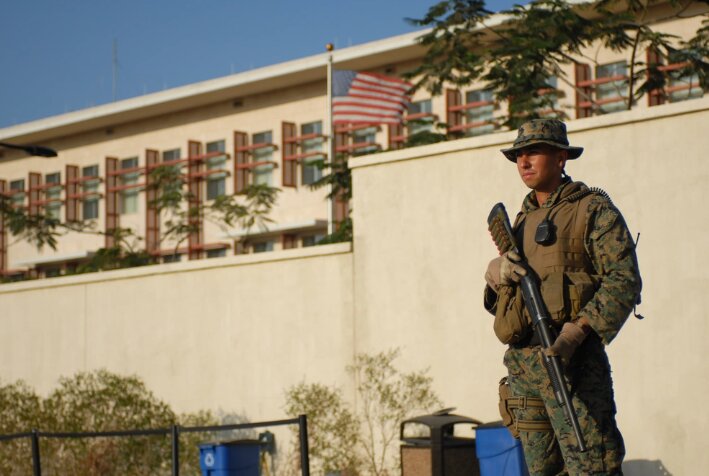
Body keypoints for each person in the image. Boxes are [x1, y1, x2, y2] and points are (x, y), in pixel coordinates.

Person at [483, 119, 642, 475]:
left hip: (572, 363)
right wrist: (495, 276)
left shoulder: (592, 210)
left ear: (561, 158)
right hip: (525, 367)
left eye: (533, 152)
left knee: (592, 465)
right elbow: (509, 301)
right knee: (541, 471)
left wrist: (577, 331)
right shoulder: (520, 221)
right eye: (519, 155)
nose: (524, 162)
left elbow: (624, 281)